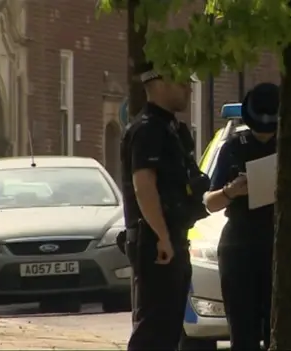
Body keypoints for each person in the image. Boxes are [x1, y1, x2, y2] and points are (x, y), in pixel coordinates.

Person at [120, 62, 209, 350]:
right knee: (153, 329)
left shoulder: (171, 130)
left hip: (172, 237)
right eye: (181, 80)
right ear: (158, 83)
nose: (188, 87)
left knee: (169, 329)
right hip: (156, 242)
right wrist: (161, 235)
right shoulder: (147, 130)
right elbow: (143, 185)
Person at [203, 83, 280, 351]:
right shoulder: (234, 146)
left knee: (278, 327)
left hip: (277, 241)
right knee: (242, 329)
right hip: (240, 241)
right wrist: (231, 191)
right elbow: (210, 202)